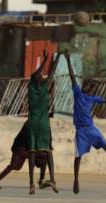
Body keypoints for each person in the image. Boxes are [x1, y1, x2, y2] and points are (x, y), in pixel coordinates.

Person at [64, 49, 106, 194]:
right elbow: (72, 76)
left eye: (91, 86)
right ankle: (76, 180)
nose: (89, 87)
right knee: (78, 156)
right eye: (88, 85)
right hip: (81, 130)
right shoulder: (77, 93)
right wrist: (68, 60)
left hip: (91, 128)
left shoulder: (92, 98)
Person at [27, 50, 60, 195]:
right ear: (41, 80)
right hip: (44, 125)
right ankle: (52, 178)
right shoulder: (45, 88)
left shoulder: (31, 88)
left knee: (32, 153)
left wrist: (45, 60)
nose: (42, 75)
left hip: (33, 124)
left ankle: (31, 183)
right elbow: (52, 72)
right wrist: (57, 57)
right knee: (48, 152)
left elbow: (35, 75)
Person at [0, 121, 53, 190]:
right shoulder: (30, 123)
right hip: (20, 147)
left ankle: (41, 180)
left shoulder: (43, 123)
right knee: (15, 166)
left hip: (30, 148)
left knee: (44, 157)